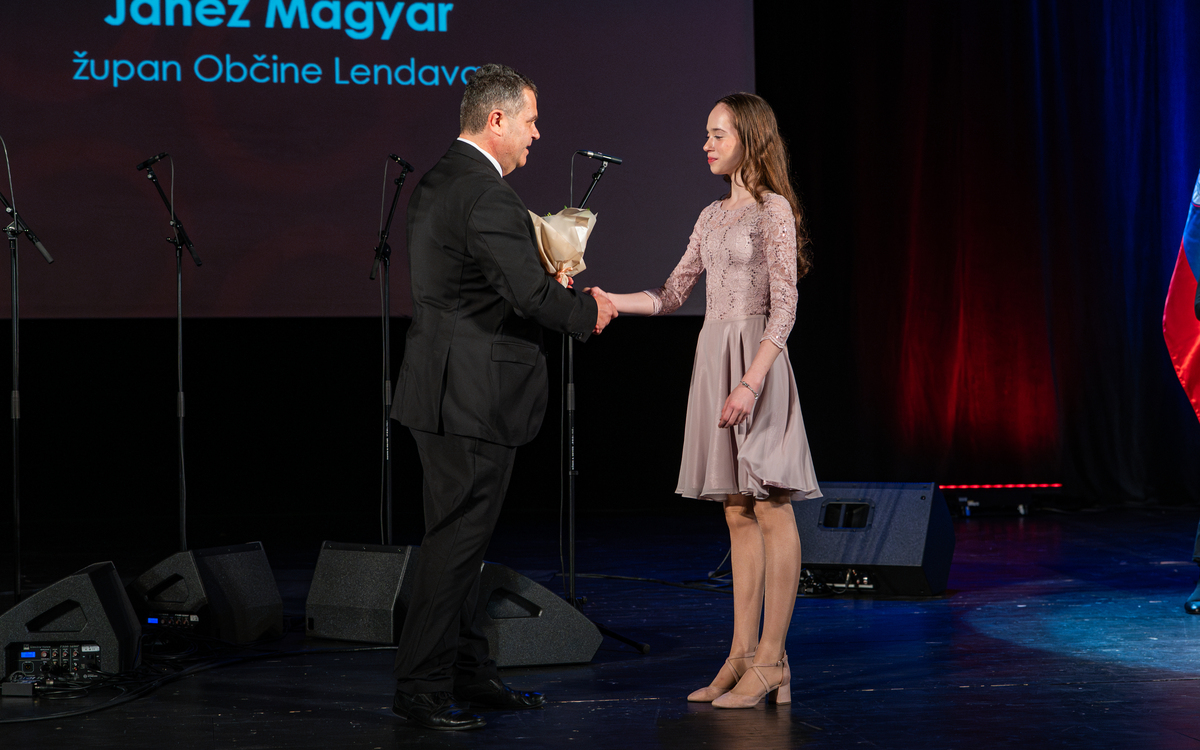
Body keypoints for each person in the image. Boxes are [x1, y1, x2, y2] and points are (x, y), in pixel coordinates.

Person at [389, 63, 617, 731]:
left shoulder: (441, 180)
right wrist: (588, 314)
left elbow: (481, 282)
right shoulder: (484, 193)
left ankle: (467, 670)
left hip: (442, 389)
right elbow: (528, 295)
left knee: (461, 542)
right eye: (530, 121)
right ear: (496, 120)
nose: (536, 135)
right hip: (472, 395)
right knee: (455, 544)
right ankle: (422, 689)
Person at [588, 93, 820, 709]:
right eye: (707, 134)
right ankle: (742, 655)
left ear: (750, 138)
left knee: (771, 504)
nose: (706, 145)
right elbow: (671, 294)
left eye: (718, 134)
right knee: (736, 510)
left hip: (757, 363)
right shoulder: (711, 215)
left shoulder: (772, 210)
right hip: (715, 357)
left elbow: (785, 307)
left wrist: (751, 381)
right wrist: (610, 301)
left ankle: (772, 660)